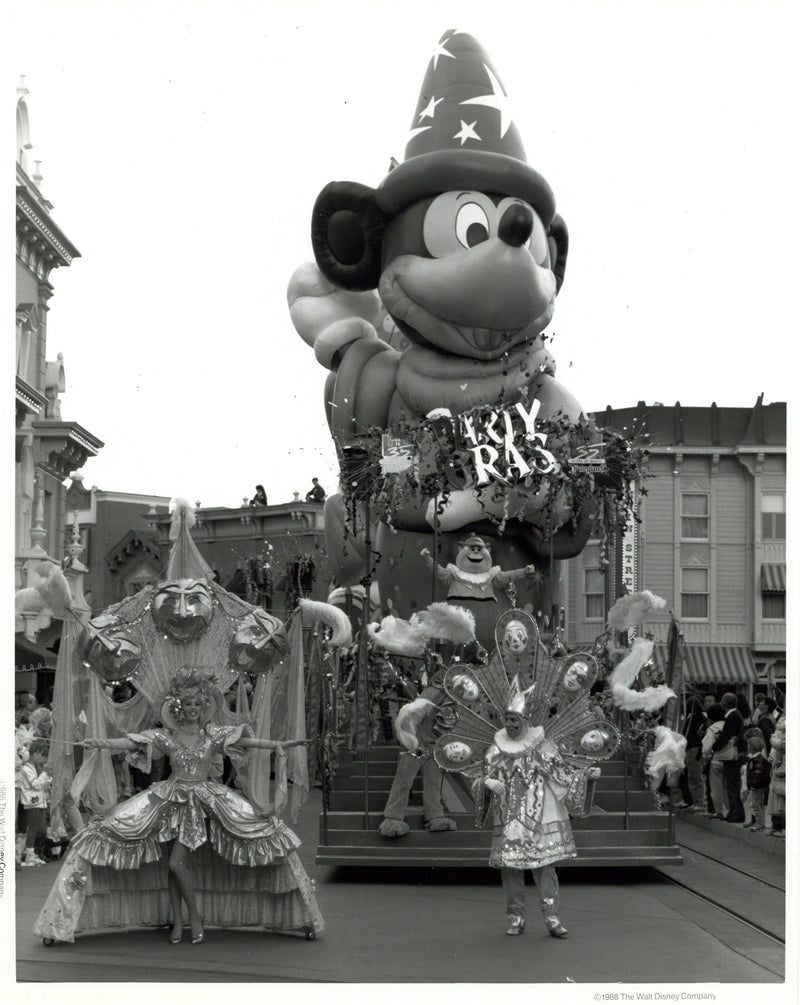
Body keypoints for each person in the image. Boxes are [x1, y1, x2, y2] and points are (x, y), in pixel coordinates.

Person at [33, 668, 324, 944]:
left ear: (204, 705)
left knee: (183, 860)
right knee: (165, 861)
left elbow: (248, 742)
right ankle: (177, 920)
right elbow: (132, 743)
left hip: (204, 802)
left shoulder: (213, 735)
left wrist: (278, 744)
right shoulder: (166, 737)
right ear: (178, 707)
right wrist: (101, 742)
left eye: (197, 703)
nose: (193, 707)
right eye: (187, 703)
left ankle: (194, 917)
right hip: (168, 801)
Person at [478, 696, 600, 938]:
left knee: (545, 868)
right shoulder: (495, 750)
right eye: (507, 719)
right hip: (508, 820)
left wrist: (586, 776)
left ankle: (552, 918)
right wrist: (487, 783)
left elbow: (562, 776)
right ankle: (516, 918)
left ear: (525, 720)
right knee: (510, 870)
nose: (510, 724)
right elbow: (481, 778)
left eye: (514, 719)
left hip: (540, 819)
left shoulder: (543, 748)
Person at [710, 692, 745, 823]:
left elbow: (726, 735)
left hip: (731, 755)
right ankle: (733, 811)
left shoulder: (732, 717)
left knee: (732, 785)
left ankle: (737, 813)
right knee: (730, 785)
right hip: (734, 753)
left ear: (724, 703)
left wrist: (715, 746)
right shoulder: (735, 715)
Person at [19, 739, 51, 867]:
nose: (41, 756)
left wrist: (46, 777)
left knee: (42, 830)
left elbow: (44, 785)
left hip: (40, 802)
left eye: (42, 754)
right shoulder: (26, 769)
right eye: (39, 753)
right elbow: (37, 785)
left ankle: (23, 849)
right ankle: (29, 855)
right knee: (32, 829)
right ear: (32, 754)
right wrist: (45, 774)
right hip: (31, 802)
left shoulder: (36, 768)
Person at [676, 696, 706, 811]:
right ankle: (694, 800)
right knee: (691, 775)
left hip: (693, 748)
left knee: (694, 776)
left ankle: (698, 802)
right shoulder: (698, 718)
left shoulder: (695, 718)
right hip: (691, 748)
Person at [701, 703, 728, 819]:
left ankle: (719, 811)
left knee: (716, 788)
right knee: (728, 787)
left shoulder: (712, 729)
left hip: (716, 760)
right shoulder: (729, 725)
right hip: (729, 759)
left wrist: (706, 755)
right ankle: (730, 810)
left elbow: (706, 747)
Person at [742, 733, 771, 831]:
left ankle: (760, 824)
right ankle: (758, 822)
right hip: (755, 785)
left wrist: (754, 784)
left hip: (756, 786)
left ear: (753, 747)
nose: (748, 748)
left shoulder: (757, 760)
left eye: (749, 746)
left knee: (755, 805)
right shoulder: (754, 758)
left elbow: (757, 775)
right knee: (757, 804)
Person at [764, 714, 786, 837]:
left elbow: (781, 744)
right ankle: (776, 825)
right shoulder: (782, 721)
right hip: (778, 762)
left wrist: (774, 739)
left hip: (783, 764)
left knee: (781, 797)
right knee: (775, 796)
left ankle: (782, 826)